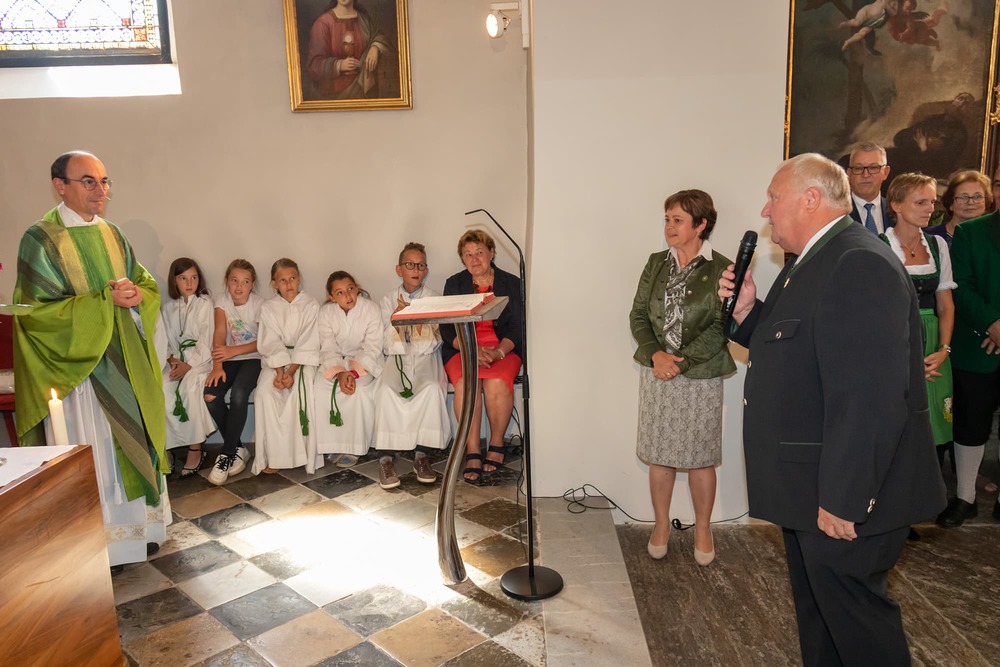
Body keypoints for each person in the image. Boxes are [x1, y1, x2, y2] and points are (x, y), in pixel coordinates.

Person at [718, 153, 945, 665]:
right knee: (822, 620)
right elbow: (793, 347)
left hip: (845, 495)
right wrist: (748, 311)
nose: (766, 210)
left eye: (773, 198)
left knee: (860, 631)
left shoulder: (857, 262)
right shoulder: (812, 261)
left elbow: (870, 396)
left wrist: (846, 497)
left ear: (810, 199)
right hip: (812, 486)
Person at [13, 150, 170, 568]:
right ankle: (100, 544)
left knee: (129, 444)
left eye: (104, 181)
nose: (100, 190)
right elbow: (35, 312)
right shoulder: (40, 239)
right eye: (88, 181)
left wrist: (136, 296)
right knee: (97, 450)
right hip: (79, 373)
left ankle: (140, 532)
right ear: (59, 186)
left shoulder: (112, 233)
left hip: (125, 362)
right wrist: (103, 302)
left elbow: (144, 284)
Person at [629, 190, 735, 565]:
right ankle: (661, 525)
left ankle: (703, 528)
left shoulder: (723, 268)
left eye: (678, 220)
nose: (669, 227)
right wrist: (656, 354)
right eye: (667, 219)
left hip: (701, 374)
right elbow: (638, 315)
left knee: (700, 457)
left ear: (701, 224)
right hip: (658, 371)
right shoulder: (655, 263)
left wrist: (682, 363)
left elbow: (721, 326)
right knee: (660, 455)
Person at [937, 167, 1000, 527]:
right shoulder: (969, 232)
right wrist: (992, 324)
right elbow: (961, 283)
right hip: (976, 345)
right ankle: (965, 497)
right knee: (970, 423)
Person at [883, 173, 955, 465]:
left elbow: (946, 305)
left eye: (932, 202)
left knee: (934, 422)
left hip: (933, 345)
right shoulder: (880, 245)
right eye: (920, 202)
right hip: (897, 342)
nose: (930, 208)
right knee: (900, 422)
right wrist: (908, 361)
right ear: (897, 205)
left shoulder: (937, 245)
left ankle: (928, 487)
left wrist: (943, 349)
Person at [440, 230, 523, 483]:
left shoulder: (511, 282)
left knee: (496, 382)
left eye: (479, 252)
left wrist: (498, 352)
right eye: (468, 254)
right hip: (463, 349)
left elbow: (517, 327)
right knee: (467, 385)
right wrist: (471, 351)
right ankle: (473, 449)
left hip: (503, 348)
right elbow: (446, 328)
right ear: (462, 258)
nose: (474, 259)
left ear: (491, 253)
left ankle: (497, 444)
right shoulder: (454, 284)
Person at [374, 243, 450, 488]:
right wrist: (397, 320)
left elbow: (437, 339)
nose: (416, 270)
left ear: (426, 270)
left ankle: (422, 455)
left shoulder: (435, 299)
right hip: (397, 358)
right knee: (386, 390)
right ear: (399, 269)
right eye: (410, 264)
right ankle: (385, 458)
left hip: (426, 357)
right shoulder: (387, 300)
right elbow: (384, 342)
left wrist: (417, 325)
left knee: (430, 389)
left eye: (421, 265)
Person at [253, 258, 322, 476]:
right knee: (265, 393)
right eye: (282, 280)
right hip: (275, 364)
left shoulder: (311, 304)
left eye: (292, 278)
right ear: (274, 283)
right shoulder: (268, 308)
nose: (289, 283)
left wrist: (291, 372)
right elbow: (270, 342)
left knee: (300, 394)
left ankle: (302, 455)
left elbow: (308, 341)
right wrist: (280, 372)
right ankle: (275, 456)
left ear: (299, 278)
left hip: (303, 361)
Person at [314, 271, 383, 473]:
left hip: (365, 362)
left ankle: (354, 447)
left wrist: (353, 373)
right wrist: (339, 372)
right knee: (321, 388)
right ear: (331, 297)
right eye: (340, 292)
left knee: (357, 391)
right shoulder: (326, 313)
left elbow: (373, 347)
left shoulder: (371, 309)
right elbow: (327, 346)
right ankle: (333, 445)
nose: (348, 296)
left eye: (351, 289)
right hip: (335, 362)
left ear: (357, 287)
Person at [205, 259, 262, 485]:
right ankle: (238, 447)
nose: (239, 286)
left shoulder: (259, 304)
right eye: (234, 280)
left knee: (239, 394)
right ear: (227, 281)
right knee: (210, 395)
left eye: (245, 282)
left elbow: (263, 342)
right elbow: (219, 332)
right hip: (228, 359)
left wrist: (232, 350)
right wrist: (217, 365)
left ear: (252, 284)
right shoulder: (222, 300)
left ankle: (227, 454)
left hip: (254, 358)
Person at [162, 257, 216, 478]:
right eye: (183, 278)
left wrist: (189, 365)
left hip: (200, 361)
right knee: (163, 388)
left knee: (190, 388)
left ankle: (195, 449)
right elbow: (165, 340)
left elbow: (206, 340)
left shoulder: (205, 304)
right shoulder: (168, 308)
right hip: (177, 360)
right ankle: (167, 448)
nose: (189, 283)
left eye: (194, 277)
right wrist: (172, 360)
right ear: (174, 281)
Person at [306, 0, 391, 100]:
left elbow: (379, 36)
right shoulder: (323, 23)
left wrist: (375, 47)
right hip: (332, 97)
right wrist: (339, 65)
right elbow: (314, 65)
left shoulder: (364, 20)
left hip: (362, 91)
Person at [926, 169, 991, 247]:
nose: (970, 202)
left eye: (978, 196)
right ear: (951, 203)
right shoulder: (929, 237)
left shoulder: (994, 237)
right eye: (963, 197)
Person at [846, 142, 894, 234]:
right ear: (849, 173)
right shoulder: (836, 214)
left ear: (885, 172)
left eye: (873, 168)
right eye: (858, 168)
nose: (865, 175)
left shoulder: (898, 212)